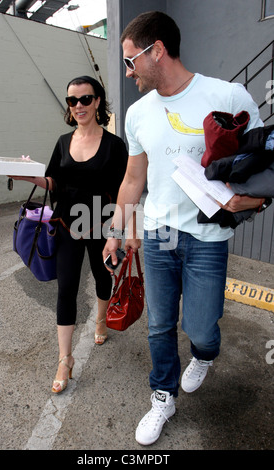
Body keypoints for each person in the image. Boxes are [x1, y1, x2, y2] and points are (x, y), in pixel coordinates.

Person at [103, 11, 268, 446]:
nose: (127, 71)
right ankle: (162, 396)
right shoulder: (138, 114)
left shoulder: (228, 95)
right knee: (159, 324)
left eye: (130, 60)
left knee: (200, 327)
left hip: (207, 238)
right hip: (159, 234)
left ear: (156, 50)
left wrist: (251, 200)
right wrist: (117, 231)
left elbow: (262, 165)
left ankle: (204, 354)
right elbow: (133, 180)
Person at [10, 75, 128, 393]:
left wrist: (120, 233)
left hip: (101, 226)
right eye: (72, 101)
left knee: (104, 279)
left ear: (98, 101)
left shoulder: (115, 145)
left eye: (85, 99)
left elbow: (123, 192)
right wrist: (28, 177)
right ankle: (65, 359)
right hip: (65, 226)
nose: (78, 106)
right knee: (67, 290)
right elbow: (54, 183)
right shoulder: (64, 141)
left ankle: (101, 320)